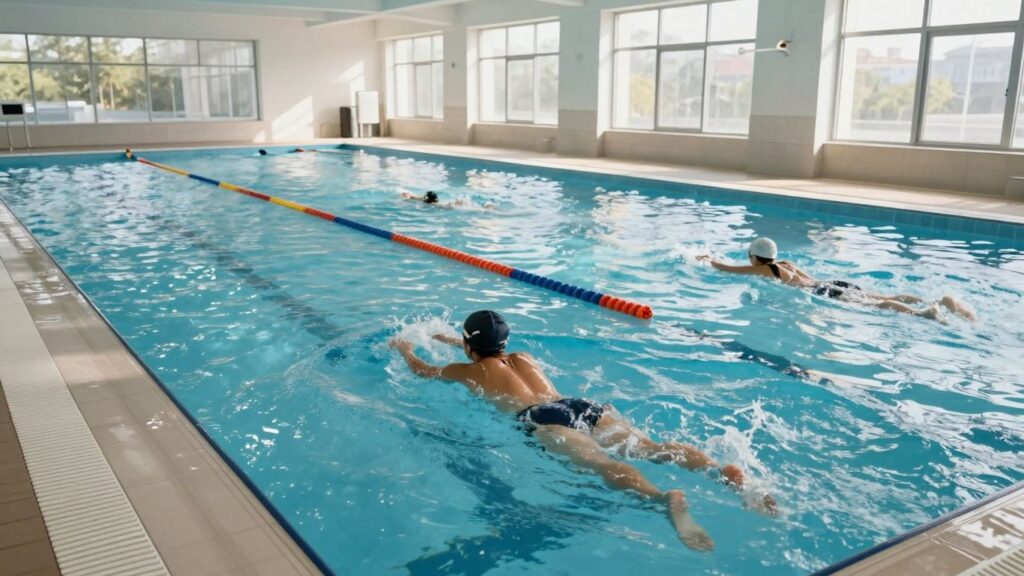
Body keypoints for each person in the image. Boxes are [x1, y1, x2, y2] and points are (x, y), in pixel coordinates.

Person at [389, 310, 777, 552]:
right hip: (580, 405)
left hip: (540, 417)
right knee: (650, 447)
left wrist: (404, 348)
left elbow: (421, 370)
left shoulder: (469, 371)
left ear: (470, 348)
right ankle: (722, 473)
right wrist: (455, 340)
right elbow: (489, 352)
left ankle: (662, 499)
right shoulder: (524, 357)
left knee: (599, 464)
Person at [698, 238, 975, 321]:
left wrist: (708, 260)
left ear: (754, 257)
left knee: (875, 306)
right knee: (877, 297)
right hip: (834, 282)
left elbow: (729, 270)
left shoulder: (765, 270)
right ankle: (940, 301)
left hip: (824, 292)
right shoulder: (785, 263)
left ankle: (922, 313)